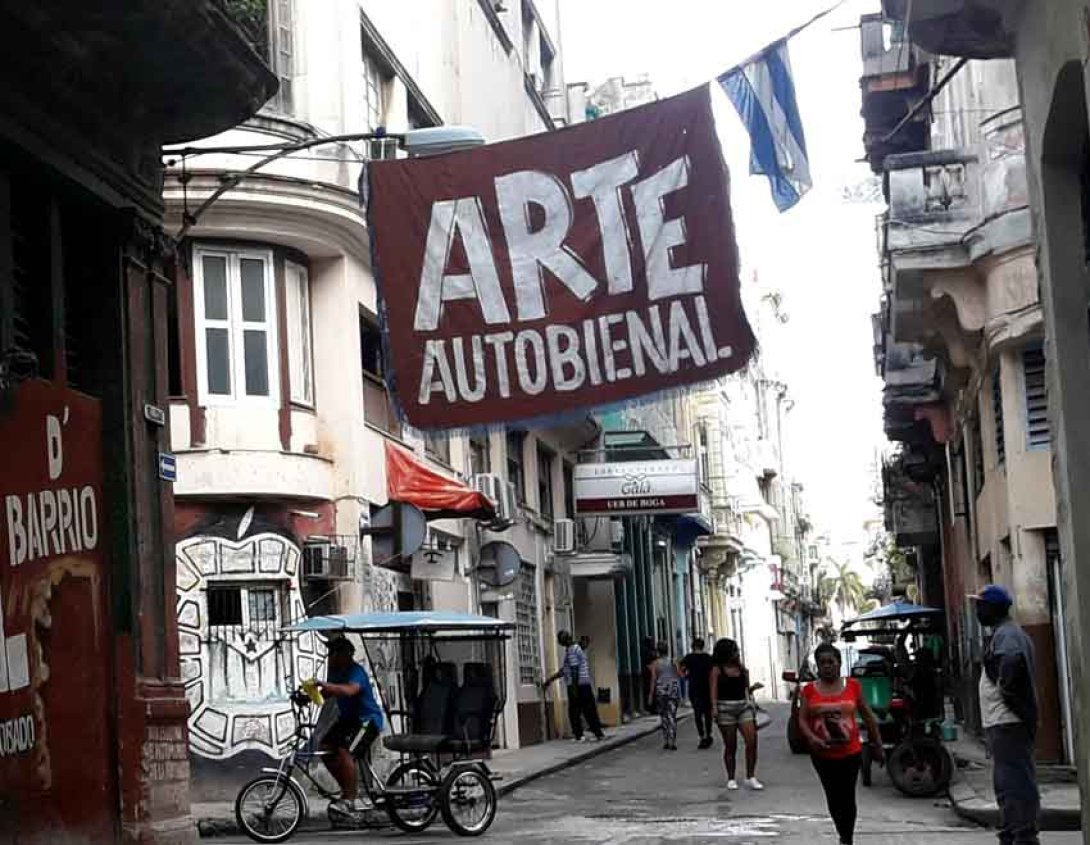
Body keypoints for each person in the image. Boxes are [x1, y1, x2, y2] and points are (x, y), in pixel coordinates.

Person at [973, 584, 1040, 845]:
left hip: (1008, 723)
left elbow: (1011, 666)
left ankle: (1022, 835)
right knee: (1007, 781)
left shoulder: (1008, 635)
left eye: (980, 606)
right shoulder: (1004, 633)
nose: (977, 611)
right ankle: (1014, 831)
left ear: (991, 609)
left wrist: (1008, 695)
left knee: (1014, 782)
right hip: (1003, 723)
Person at [799, 643, 884, 845]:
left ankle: (847, 838)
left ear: (839, 664)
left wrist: (877, 743)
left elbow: (867, 716)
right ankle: (842, 830)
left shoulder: (853, 686)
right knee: (833, 797)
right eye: (822, 663)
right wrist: (812, 738)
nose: (827, 666)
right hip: (821, 755)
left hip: (850, 752)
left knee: (847, 796)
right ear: (817, 667)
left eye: (831, 662)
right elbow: (801, 720)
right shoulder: (809, 691)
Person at [317, 637, 384, 813]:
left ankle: (350, 799)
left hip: (367, 721)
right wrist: (307, 695)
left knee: (344, 750)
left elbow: (350, 690)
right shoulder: (335, 672)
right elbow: (326, 693)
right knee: (325, 747)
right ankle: (346, 790)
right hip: (348, 720)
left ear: (345, 654)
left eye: (333, 653)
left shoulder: (356, 671)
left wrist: (327, 685)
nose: (330, 657)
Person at [709, 638, 762, 790]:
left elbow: (745, 690)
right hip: (725, 709)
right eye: (734, 650)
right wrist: (714, 708)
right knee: (730, 745)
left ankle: (750, 776)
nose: (737, 653)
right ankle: (731, 778)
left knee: (752, 741)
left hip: (743, 707)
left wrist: (752, 691)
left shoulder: (741, 669)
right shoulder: (717, 670)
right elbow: (713, 690)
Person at [543, 630, 605, 742]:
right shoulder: (576, 649)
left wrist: (574, 689)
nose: (559, 643)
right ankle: (598, 733)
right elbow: (565, 670)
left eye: (560, 640)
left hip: (577, 685)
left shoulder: (572, 650)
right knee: (589, 710)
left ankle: (579, 735)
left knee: (574, 712)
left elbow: (574, 670)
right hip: (584, 683)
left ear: (565, 640)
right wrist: (551, 679)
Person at [680, 637, 714, 749]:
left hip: (694, 689)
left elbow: (682, 669)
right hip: (707, 689)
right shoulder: (708, 658)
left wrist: (686, 676)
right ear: (703, 646)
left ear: (693, 646)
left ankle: (702, 736)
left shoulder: (689, 658)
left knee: (698, 714)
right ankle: (709, 734)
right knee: (708, 714)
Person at [648, 642, 682, 751]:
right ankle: (672, 741)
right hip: (672, 690)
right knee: (672, 716)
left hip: (661, 691)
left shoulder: (655, 664)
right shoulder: (673, 661)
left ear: (658, 651)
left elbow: (653, 679)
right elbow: (679, 675)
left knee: (663, 716)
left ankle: (666, 740)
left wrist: (650, 694)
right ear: (667, 650)